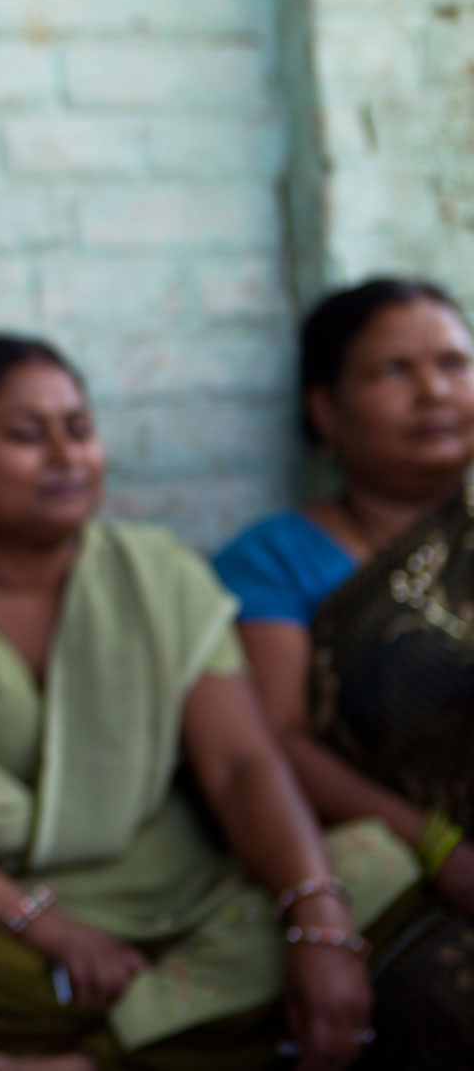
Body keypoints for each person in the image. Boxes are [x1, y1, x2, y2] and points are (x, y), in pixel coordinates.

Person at [0, 335, 417, 1071]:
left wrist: (317, 920)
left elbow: (241, 764)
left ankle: (84, 1060)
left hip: (188, 906)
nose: (64, 455)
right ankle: (190, 1028)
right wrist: (38, 922)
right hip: (0, 919)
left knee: (376, 861)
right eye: (25, 434)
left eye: (78, 429)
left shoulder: (158, 572)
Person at [215, 278, 474, 1067]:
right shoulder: (275, 557)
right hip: (396, 873)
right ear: (325, 409)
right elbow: (280, 739)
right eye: (392, 370)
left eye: (454, 363)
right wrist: (439, 849)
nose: (433, 390)